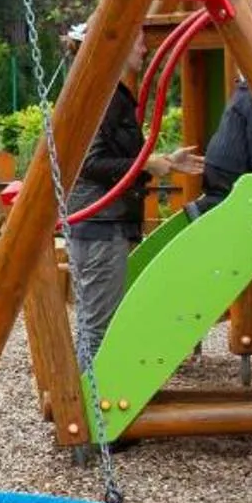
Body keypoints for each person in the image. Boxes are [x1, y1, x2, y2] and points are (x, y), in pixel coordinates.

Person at [63, 22, 201, 370]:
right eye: (139, 42)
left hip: (102, 223)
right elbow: (90, 162)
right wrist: (148, 165)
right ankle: (88, 414)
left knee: (94, 325)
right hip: (100, 225)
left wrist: (166, 162)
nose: (144, 49)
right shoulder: (100, 95)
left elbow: (118, 158)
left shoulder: (106, 92)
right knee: (97, 329)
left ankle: (87, 409)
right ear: (118, 45)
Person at [189, 75, 252, 218]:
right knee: (230, 201)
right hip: (230, 164)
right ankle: (201, 208)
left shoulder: (242, 92)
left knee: (221, 196)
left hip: (216, 161)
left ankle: (203, 208)